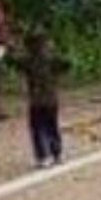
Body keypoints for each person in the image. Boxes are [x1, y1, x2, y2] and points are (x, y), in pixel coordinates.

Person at [20, 29, 67, 168]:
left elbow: (12, 60)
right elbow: (66, 64)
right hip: (51, 99)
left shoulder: (28, 61)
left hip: (36, 101)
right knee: (52, 126)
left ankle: (43, 156)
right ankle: (56, 153)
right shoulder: (52, 58)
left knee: (38, 128)